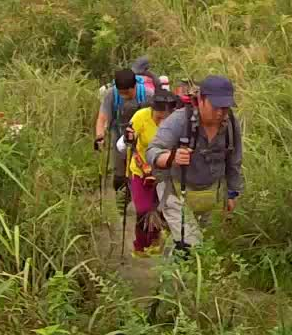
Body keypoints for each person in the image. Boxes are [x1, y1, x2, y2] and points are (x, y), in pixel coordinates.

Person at [146, 75, 242, 252]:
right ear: (201, 100)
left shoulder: (231, 125)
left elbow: (234, 161)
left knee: (209, 248)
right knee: (194, 246)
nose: (220, 112)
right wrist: (172, 157)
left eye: (225, 107)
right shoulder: (179, 120)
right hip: (176, 191)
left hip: (210, 193)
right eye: (215, 106)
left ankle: (172, 263)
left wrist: (232, 194)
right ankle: (178, 270)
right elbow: (152, 151)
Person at [116, 89, 180, 255]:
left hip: (165, 172)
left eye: (167, 114)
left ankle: (155, 242)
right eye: (159, 113)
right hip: (140, 168)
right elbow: (130, 143)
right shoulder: (141, 117)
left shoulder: (177, 122)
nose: (163, 117)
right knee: (143, 209)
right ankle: (140, 245)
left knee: (160, 209)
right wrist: (129, 138)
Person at [95, 68, 154, 194]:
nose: (124, 96)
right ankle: (122, 202)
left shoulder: (148, 95)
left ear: (134, 86)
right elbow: (102, 118)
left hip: (141, 136)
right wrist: (100, 136)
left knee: (141, 170)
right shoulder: (111, 94)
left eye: (127, 93)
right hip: (119, 133)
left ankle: (141, 203)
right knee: (119, 173)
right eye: (121, 92)